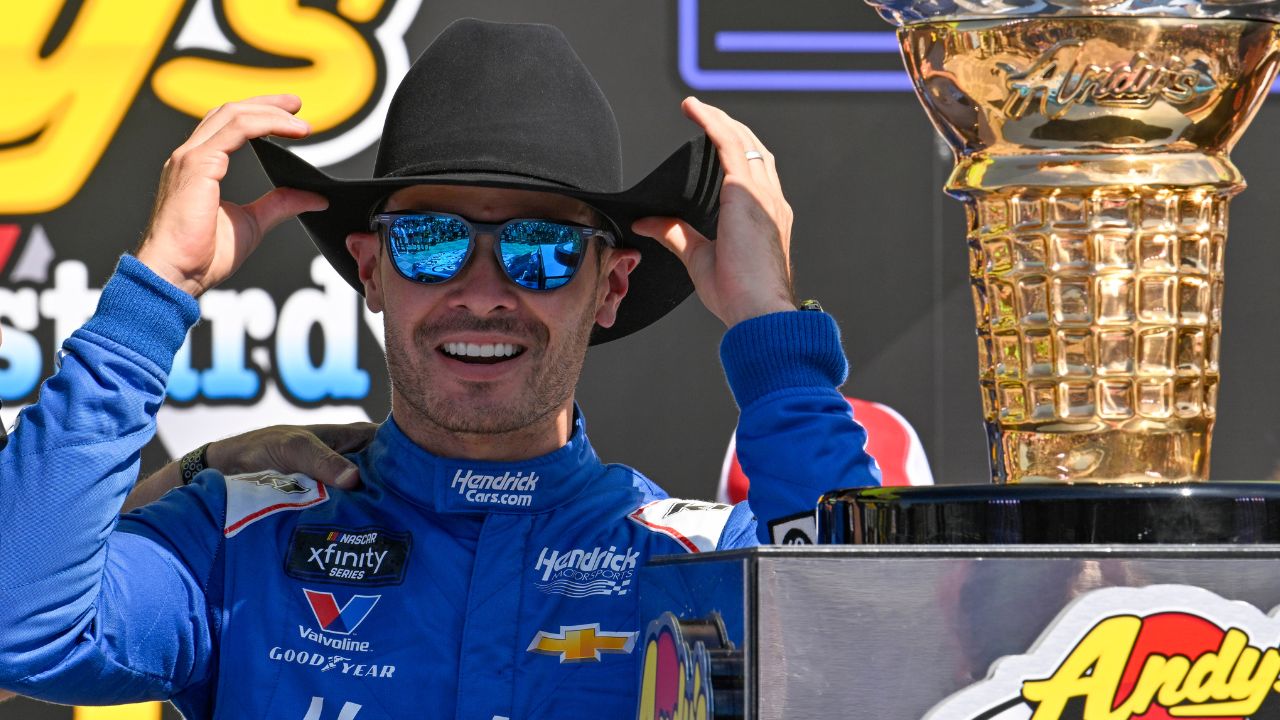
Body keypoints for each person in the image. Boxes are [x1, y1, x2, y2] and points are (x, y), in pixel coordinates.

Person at [0, 19, 879, 718]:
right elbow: (21, 624)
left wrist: (770, 329)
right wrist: (159, 291)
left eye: (540, 248)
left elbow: (874, 662)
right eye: (430, 240)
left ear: (610, 285)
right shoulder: (239, 543)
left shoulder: (695, 563)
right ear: (371, 272)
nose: (484, 292)